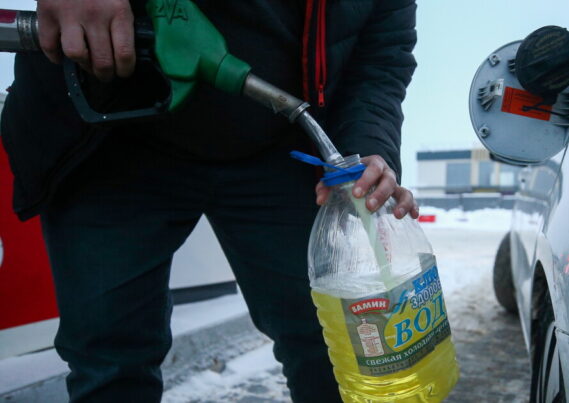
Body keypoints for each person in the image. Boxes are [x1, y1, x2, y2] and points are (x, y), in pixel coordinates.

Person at [0, 0, 418, 401]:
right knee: (108, 355)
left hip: (278, 148)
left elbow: (381, 58)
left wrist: (367, 144)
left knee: (330, 340)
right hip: (108, 136)